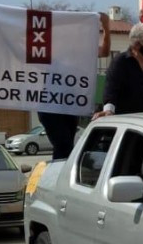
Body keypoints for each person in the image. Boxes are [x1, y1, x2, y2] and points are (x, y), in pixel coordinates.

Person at [40, 12, 111, 160]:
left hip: (71, 104)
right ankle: (59, 176)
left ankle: (60, 174)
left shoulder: (81, 50)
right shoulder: (51, 49)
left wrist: (106, 27)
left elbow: (104, 52)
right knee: (63, 144)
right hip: (50, 106)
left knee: (66, 146)